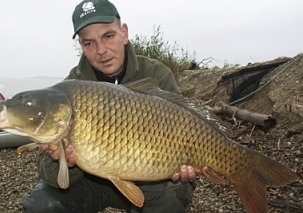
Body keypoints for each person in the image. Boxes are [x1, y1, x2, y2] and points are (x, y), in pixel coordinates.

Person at [21, 0, 196, 212]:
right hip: (94, 183)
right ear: (82, 46)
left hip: (150, 180)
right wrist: (64, 160)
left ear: (124, 33)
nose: (101, 50)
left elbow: (188, 131)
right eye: (89, 43)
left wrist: (184, 165)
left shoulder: (156, 74)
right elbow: (49, 176)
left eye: (108, 36)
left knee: (176, 190)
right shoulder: (68, 91)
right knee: (42, 204)